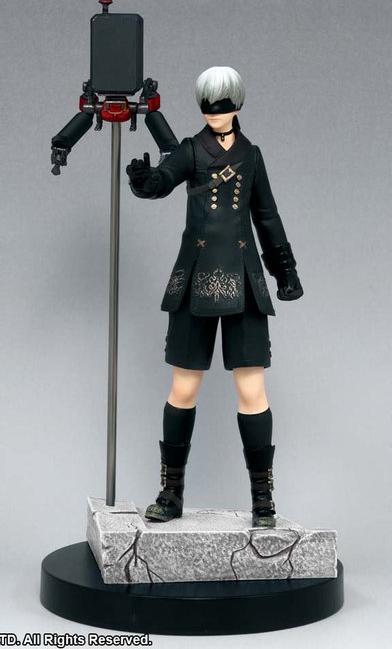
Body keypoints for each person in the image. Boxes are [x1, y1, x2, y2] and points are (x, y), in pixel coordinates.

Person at [126, 66, 303, 528]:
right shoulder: (191, 149)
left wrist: (284, 270)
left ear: (238, 106)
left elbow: (267, 215)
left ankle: (263, 499)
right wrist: (145, 181)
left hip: (243, 280)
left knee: (252, 389)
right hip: (194, 279)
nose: (215, 114)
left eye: (222, 106)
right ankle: (171, 492)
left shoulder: (251, 156)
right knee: (183, 388)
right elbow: (165, 178)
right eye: (208, 107)